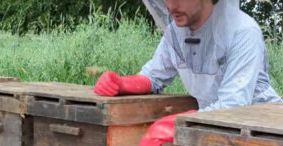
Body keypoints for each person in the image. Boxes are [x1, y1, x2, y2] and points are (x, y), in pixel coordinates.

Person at [93, 0, 283, 110]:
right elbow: (154, 76)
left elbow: (233, 104)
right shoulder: (176, 32)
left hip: (264, 129)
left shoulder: (243, 31)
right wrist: (122, 84)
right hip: (216, 129)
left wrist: (174, 124)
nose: (171, 5)